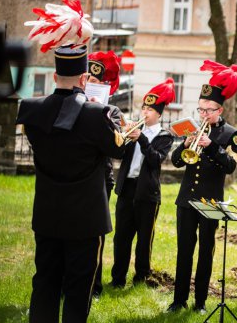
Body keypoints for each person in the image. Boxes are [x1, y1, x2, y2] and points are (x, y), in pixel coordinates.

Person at [16, 45, 124, 322]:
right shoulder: (97, 115)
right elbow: (118, 151)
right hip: (85, 219)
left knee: (45, 282)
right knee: (78, 290)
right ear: (84, 79)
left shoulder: (31, 109)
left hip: (48, 214)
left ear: (54, 77)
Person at [167, 60, 237, 313]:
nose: (204, 114)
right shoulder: (194, 129)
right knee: (184, 251)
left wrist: (211, 146)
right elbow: (177, 162)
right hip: (186, 199)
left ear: (219, 110)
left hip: (210, 201)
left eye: (208, 110)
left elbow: (231, 166)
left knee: (205, 253)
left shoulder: (232, 134)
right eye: (200, 109)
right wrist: (185, 145)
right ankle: (178, 300)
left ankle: (199, 302)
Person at [110, 78, 176, 289]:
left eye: (149, 109)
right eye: (143, 108)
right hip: (127, 188)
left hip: (147, 192)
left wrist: (142, 139)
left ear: (158, 114)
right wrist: (126, 136)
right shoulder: (133, 130)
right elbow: (118, 153)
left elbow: (156, 160)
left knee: (144, 238)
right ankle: (118, 278)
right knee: (121, 237)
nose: (145, 112)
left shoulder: (164, 136)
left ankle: (141, 277)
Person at [86, 50, 121, 297]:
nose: (90, 85)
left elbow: (118, 147)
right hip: (76, 174)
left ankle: (94, 286)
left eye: (96, 83)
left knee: (96, 232)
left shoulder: (113, 111)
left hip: (100, 178)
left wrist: (101, 114)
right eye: (88, 80)